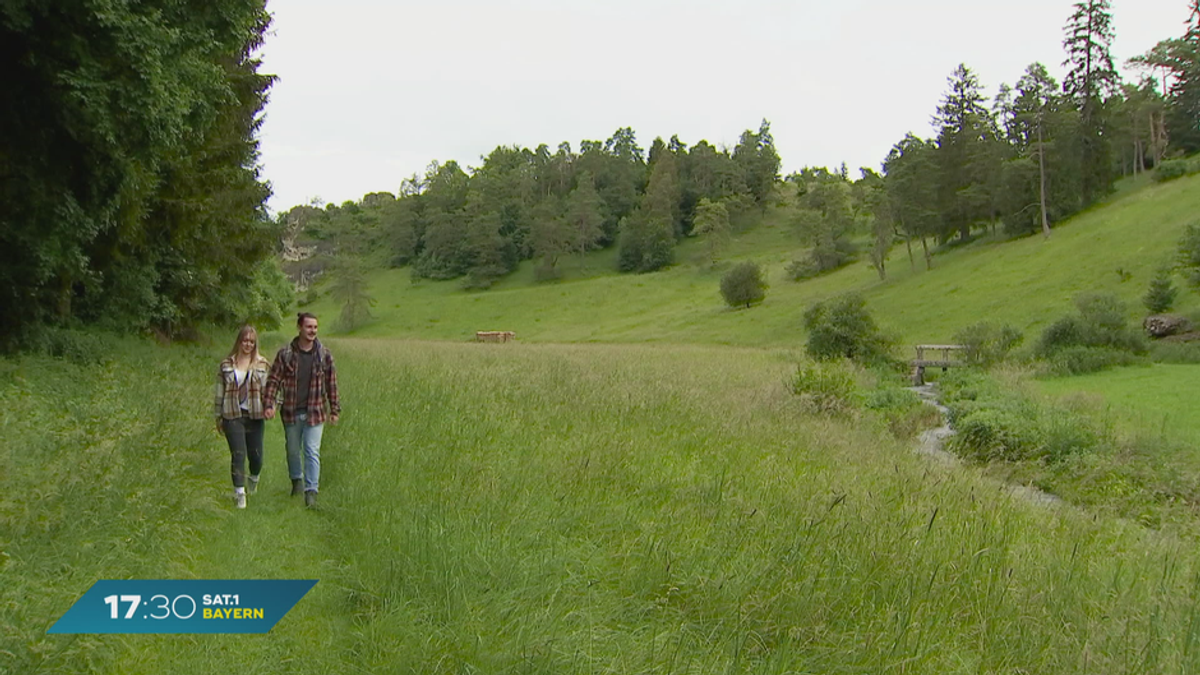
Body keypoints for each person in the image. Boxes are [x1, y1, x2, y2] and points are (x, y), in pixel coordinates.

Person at [264, 312, 340, 508]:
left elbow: (332, 384)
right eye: (309, 327)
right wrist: (269, 403)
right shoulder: (286, 354)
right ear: (299, 328)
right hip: (291, 411)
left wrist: (334, 409)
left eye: (315, 327)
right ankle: (296, 480)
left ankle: (311, 491)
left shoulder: (324, 355)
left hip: (316, 412)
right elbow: (273, 380)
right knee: (292, 450)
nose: (313, 331)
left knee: (311, 450)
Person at [214, 324, 271, 509]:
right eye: (245, 340)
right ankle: (239, 494)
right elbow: (219, 392)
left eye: (251, 342)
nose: (248, 344)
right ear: (239, 341)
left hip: (254, 415)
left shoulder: (262, 364)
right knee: (238, 455)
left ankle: (253, 479)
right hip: (232, 414)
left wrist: (271, 406)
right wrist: (218, 416)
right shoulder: (226, 365)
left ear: (255, 344)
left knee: (256, 457)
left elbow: (271, 390)